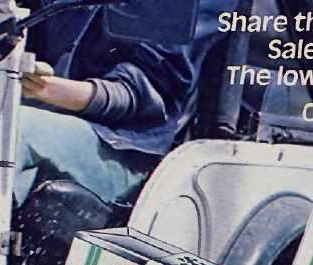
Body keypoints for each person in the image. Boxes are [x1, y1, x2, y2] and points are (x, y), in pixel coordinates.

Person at [13, 0, 228, 208]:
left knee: (10, 131)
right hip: (41, 120)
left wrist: (46, 89)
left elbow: (144, 97)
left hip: (122, 148)